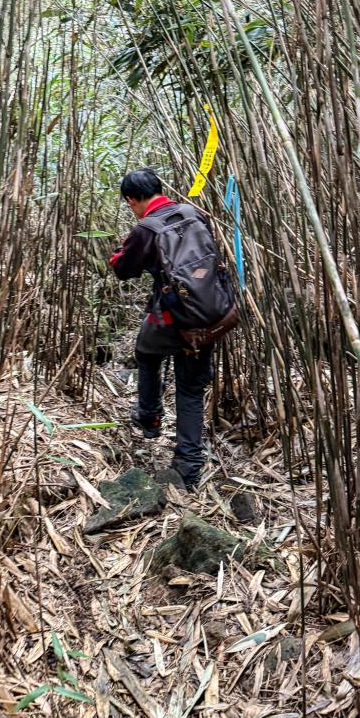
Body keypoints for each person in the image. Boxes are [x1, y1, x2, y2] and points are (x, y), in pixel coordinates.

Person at [109, 168, 216, 489]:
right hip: (211, 311)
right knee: (191, 387)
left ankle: (149, 415)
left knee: (145, 351)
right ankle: (189, 466)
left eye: (130, 204)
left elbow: (123, 269)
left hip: (172, 315)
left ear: (132, 199)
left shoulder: (146, 228)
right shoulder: (193, 212)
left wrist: (118, 255)